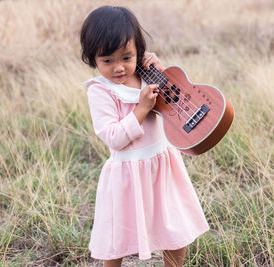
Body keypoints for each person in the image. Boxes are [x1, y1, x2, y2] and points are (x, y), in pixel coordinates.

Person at [80, 6, 209, 267]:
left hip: (162, 166)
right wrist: (141, 110)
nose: (119, 67)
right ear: (92, 59)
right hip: (127, 175)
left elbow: (179, 105)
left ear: (139, 50)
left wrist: (162, 72)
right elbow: (114, 137)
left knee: (174, 230)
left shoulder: (146, 76)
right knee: (116, 239)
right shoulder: (100, 91)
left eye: (127, 57)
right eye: (107, 61)